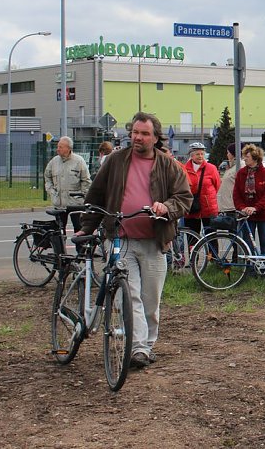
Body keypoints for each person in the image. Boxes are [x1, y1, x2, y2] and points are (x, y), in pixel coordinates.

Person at [78, 112, 192, 369]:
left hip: (155, 240)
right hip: (120, 240)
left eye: (144, 134)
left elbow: (184, 197)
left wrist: (167, 207)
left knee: (151, 300)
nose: (138, 137)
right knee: (130, 296)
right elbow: (96, 194)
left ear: (155, 137)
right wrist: (87, 227)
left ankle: (147, 345)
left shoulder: (168, 165)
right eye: (135, 132)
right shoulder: (116, 160)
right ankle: (137, 348)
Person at [234, 144, 265, 255]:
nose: (244, 159)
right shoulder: (241, 173)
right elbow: (236, 194)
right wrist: (242, 208)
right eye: (244, 156)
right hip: (246, 214)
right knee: (248, 244)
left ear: (255, 158)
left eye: (247, 157)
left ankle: (264, 268)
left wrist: (256, 207)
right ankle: (250, 268)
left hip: (264, 214)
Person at [44, 136, 91, 232]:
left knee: (79, 229)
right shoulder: (54, 161)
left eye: (60, 147)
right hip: (59, 203)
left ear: (68, 148)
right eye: (58, 147)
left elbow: (86, 180)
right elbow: (47, 177)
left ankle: (80, 247)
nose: (58, 149)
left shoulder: (79, 161)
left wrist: (83, 196)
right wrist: (51, 191)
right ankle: (60, 247)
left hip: (76, 203)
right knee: (59, 231)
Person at [182, 142, 221, 235]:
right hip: (191, 208)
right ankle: (193, 250)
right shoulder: (184, 169)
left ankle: (211, 250)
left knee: (211, 236)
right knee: (192, 236)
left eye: (202, 154)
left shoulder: (211, 168)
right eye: (197, 154)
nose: (200, 156)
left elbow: (217, 185)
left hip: (208, 208)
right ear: (191, 155)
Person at [217, 143, 240, 213]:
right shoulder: (232, 167)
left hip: (231, 205)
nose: (227, 155)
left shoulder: (239, 166)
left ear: (233, 153)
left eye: (228, 152)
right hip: (227, 204)